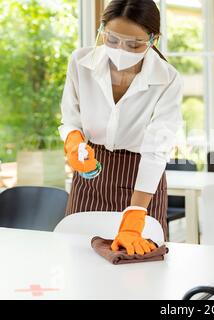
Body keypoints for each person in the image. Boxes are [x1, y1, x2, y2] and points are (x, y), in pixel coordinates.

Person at [59, 0, 182, 256]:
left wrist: (136, 214)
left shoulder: (168, 79)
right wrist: (73, 142)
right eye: (112, 39)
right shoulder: (80, 62)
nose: (120, 50)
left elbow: (156, 149)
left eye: (134, 44)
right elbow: (71, 119)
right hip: (91, 175)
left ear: (153, 40)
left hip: (141, 178)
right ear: (102, 29)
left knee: (138, 268)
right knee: (80, 260)